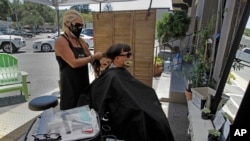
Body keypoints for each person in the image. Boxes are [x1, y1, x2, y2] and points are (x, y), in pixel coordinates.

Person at [79, 43, 175, 141]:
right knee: (150, 118)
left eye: (130, 55)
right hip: (130, 109)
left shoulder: (119, 72)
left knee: (154, 110)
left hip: (135, 104)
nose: (130, 58)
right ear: (117, 58)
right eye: (127, 55)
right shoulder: (112, 76)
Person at [54, 10, 102, 110]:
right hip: (70, 89)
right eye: (78, 25)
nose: (80, 28)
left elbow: (90, 59)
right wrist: (93, 57)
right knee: (71, 118)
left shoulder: (81, 41)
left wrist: (101, 66)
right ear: (67, 23)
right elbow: (74, 63)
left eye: (82, 25)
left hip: (84, 86)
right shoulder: (61, 41)